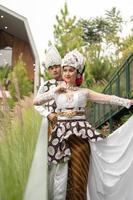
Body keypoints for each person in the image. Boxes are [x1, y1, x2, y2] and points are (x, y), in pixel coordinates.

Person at [33, 49, 133, 200]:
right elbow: (36, 101)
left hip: (80, 138)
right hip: (60, 139)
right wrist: (54, 90)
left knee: (79, 176)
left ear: (77, 72)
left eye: (71, 70)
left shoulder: (84, 92)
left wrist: (128, 102)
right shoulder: (56, 92)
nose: (66, 73)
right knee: (61, 177)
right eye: (65, 70)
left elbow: (107, 99)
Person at [23, 45, 63, 200]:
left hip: (64, 124)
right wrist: (48, 114)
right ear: (48, 70)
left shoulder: (66, 82)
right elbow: (37, 104)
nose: (54, 70)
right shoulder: (45, 85)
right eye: (51, 68)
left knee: (62, 158)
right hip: (48, 125)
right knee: (48, 158)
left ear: (61, 67)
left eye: (56, 67)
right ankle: (48, 192)